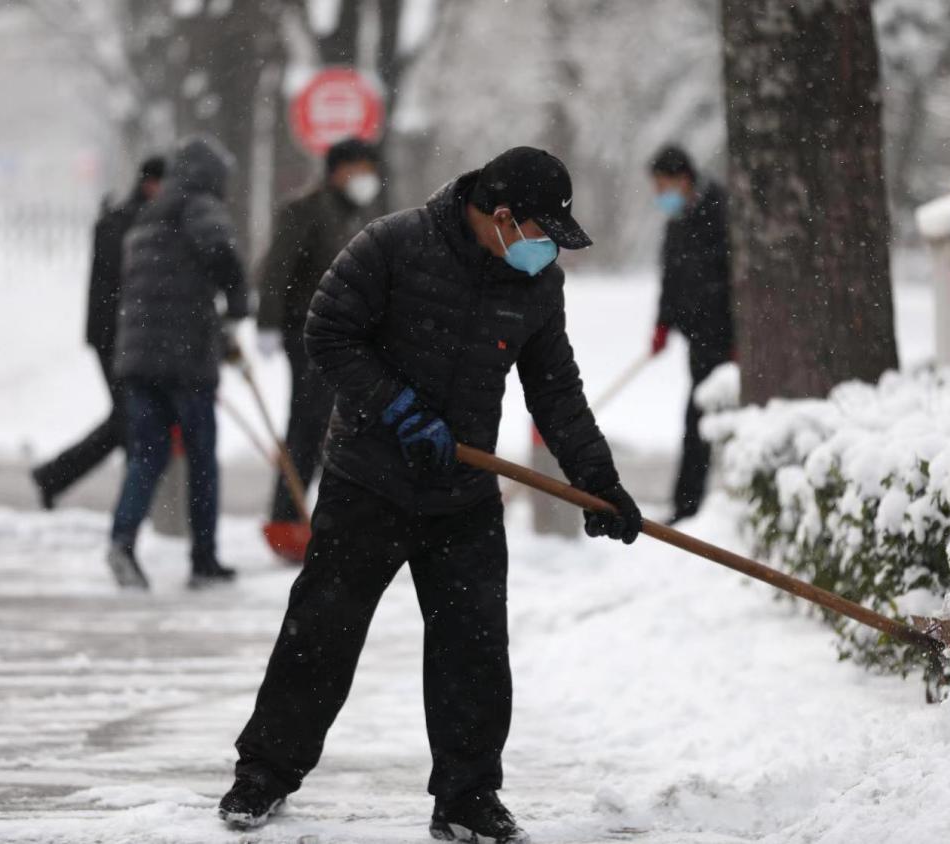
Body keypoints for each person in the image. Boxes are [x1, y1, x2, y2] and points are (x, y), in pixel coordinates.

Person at [218, 147, 644, 842]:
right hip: (369, 481)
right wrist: (401, 411)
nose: (545, 249)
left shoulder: (535, 286)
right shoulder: (393, 244)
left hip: (462, 495)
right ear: (501, 216)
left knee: (473, 650)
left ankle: (467, 797)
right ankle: (264, 773)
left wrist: (597, 484)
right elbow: (328, 333)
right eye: (540, 232)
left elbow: (556, 391)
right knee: (321, 634)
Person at [105, 136, 249, 591]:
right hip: (185, 357)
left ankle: (122, 541)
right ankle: (204, 559)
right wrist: (238, 306)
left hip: (140, 356)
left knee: (148, 454)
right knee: (202, 456)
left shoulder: (148, 214)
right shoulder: (200, 205)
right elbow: (223, 255)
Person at [255, 138, 381, 525]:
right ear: (339, 170)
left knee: (332, 424)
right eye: (361, 170)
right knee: (308, 421)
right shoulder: (306, 209)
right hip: (307, 333)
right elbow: (277, 268)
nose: (367, 180)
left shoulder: (351, 213)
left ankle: (320, 514)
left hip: (342, 337)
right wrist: (268, 323)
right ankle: (286, 514)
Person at [30, 156, 166, 508]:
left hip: (119, 335)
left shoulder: (128, 220)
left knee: (129, 420)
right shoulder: (130, 223)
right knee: (130, 419)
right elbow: (123, 284)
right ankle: (57, 478)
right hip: (116, 337)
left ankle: (55, 477)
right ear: (151, 183)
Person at [648, 145, 735, 524]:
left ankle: (698, 506)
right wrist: (663, 323)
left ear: (683, 179)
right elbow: (672, 277)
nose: (659, 194)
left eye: (662, 185)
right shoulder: (677, 221)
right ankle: (688, 505)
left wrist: (738, 339)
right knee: (696, 421)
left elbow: (730, 280)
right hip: (699, 340)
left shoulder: (720, 213)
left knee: (710, 421)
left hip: (726, 339)